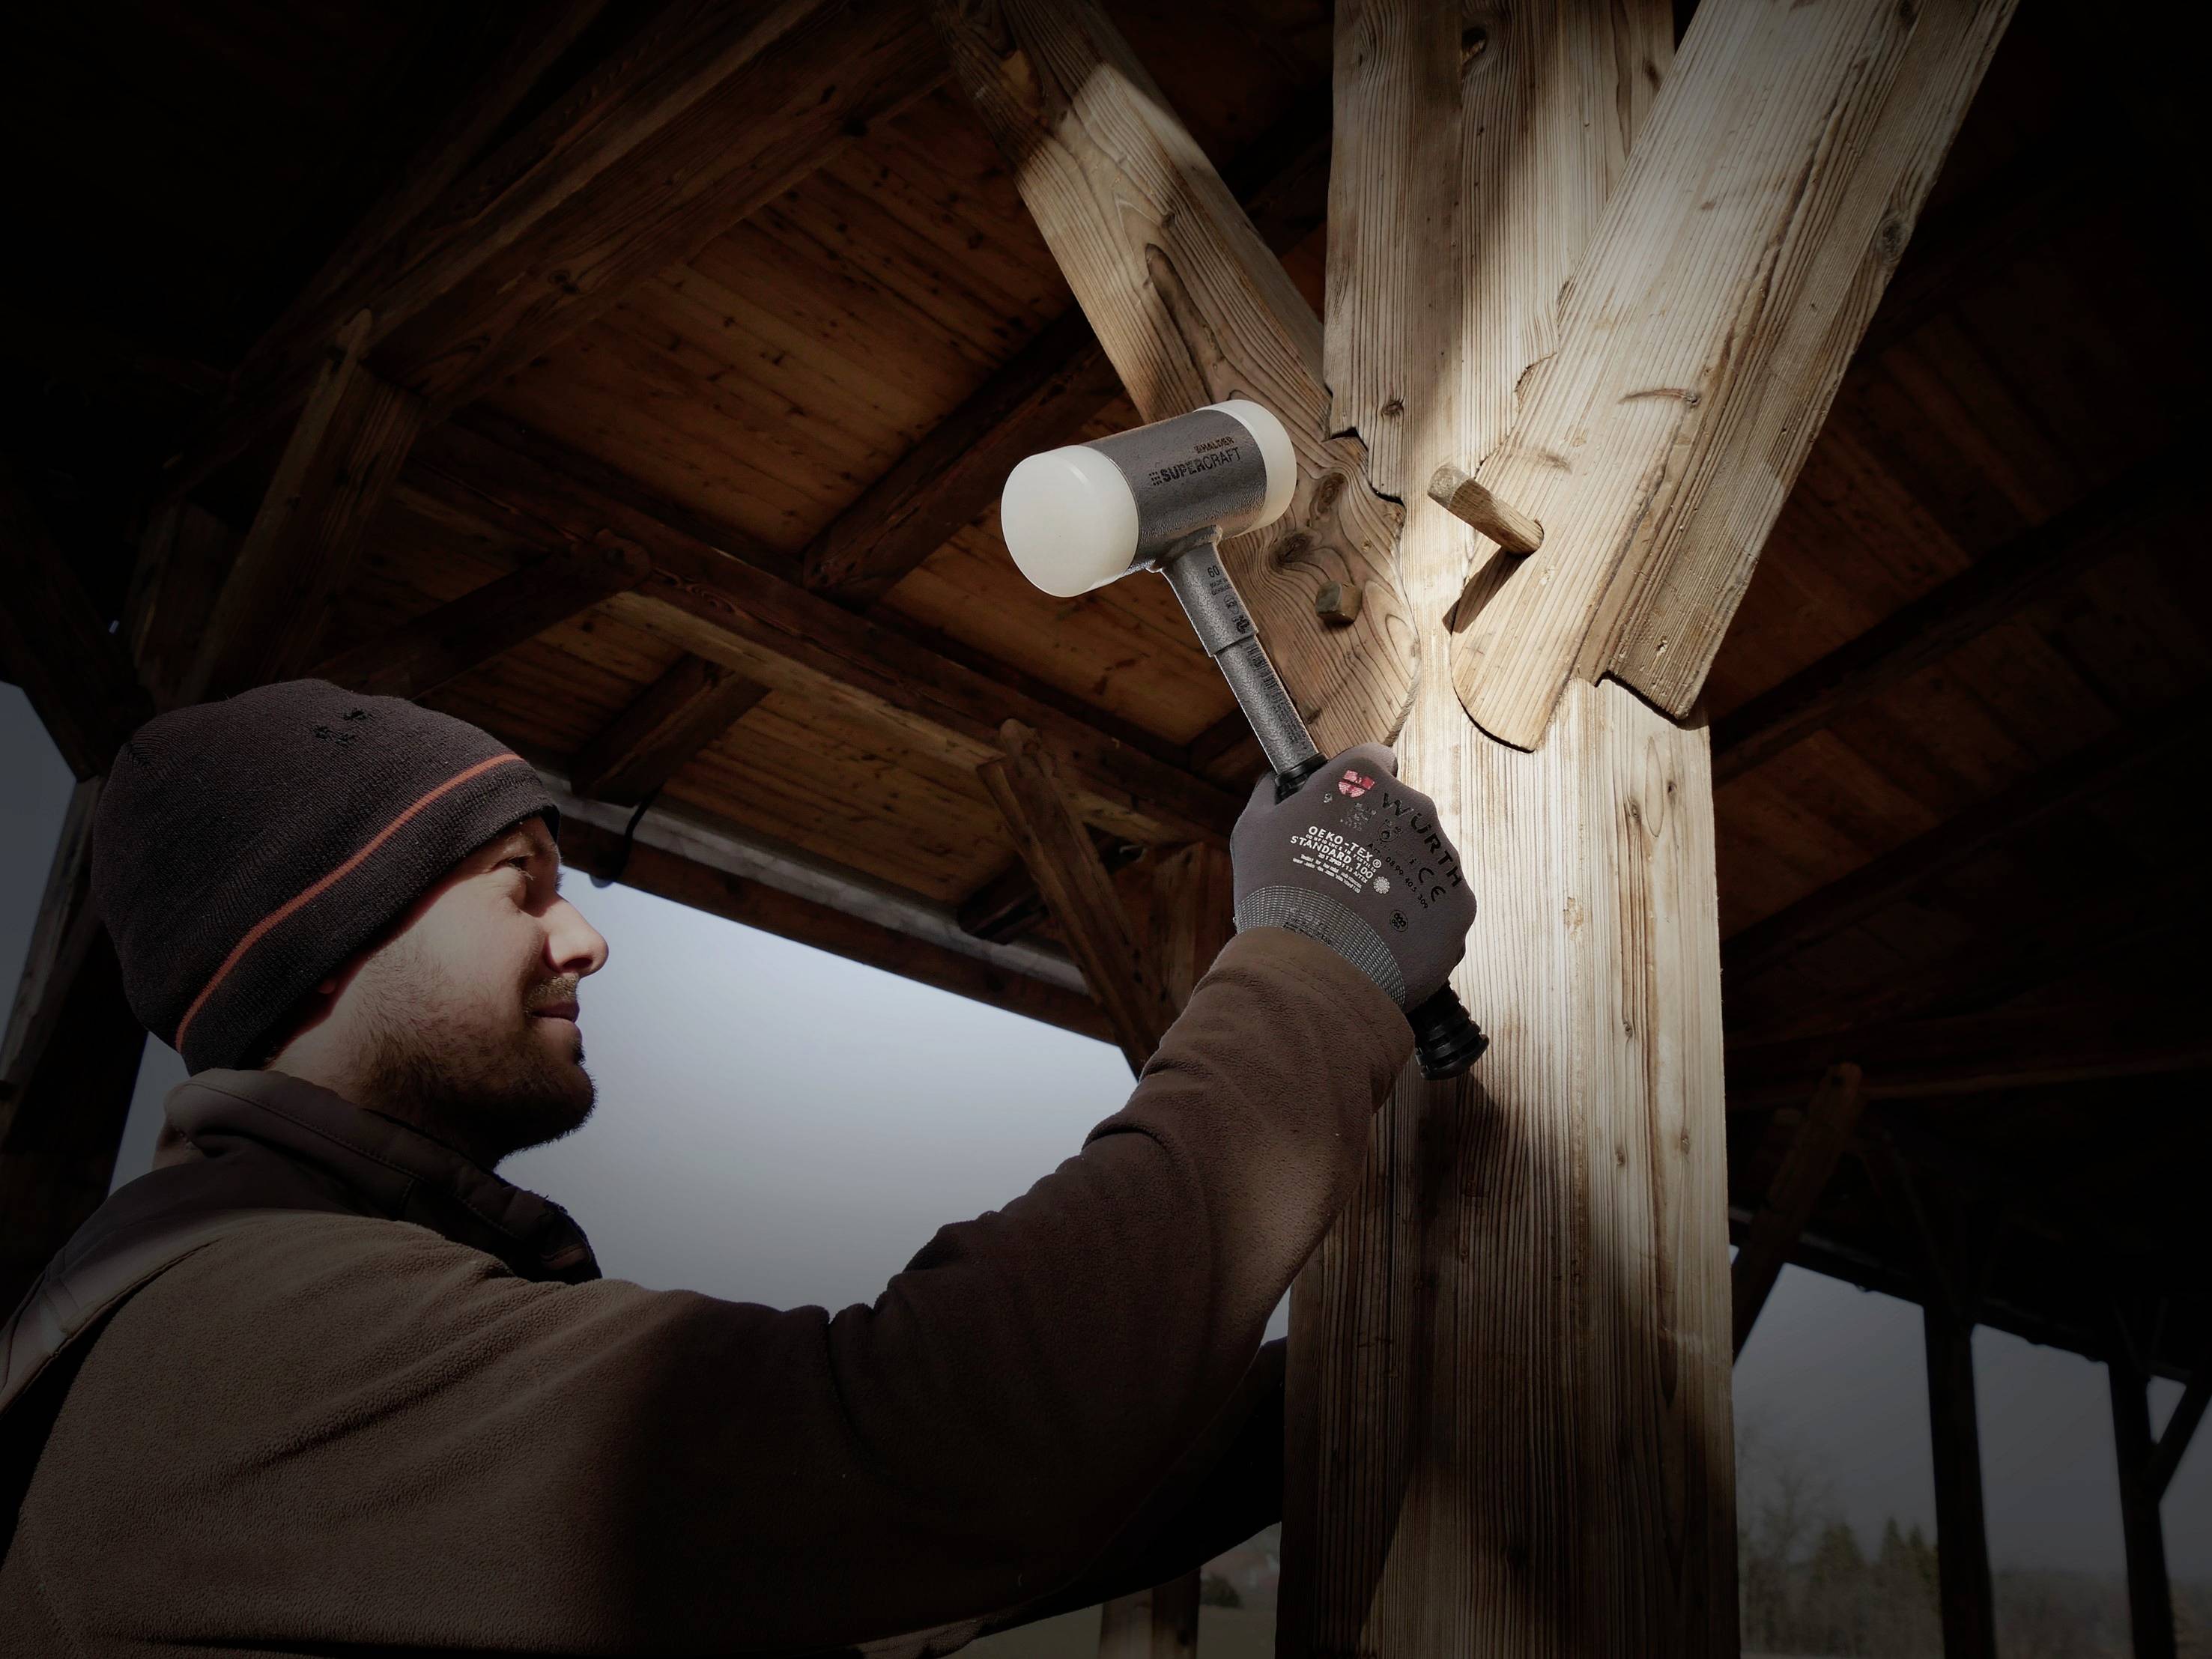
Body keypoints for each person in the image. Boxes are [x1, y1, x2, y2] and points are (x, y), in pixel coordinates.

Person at [0, 679, 1475, 1656]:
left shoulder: (287, 1335)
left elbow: (859, 1543)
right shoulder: (241, 1338)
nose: (586, 937)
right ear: (321, 942)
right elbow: (926, 1448)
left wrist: (1358, 1394)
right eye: (518, 885)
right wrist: (1312, 955)